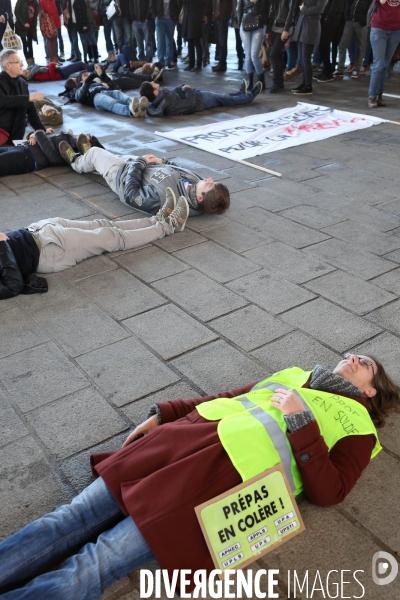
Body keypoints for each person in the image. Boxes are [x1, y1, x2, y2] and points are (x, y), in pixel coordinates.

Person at [0, 353, 399, 598]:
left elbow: (331, 492)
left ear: (370, 391)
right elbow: (229, 397)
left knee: (97, 562)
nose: (351, 358)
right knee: (68, 518)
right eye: (350, 353)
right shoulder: (297, 372)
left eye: (364, 363)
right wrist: (166, 413)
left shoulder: (360, 429)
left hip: (215, 485)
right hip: (181, 443)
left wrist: (302, 421)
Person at [0, 188, 189, 300]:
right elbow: (12, 285)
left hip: (36, 230)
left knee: (103, 225)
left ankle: (156, 220)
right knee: (111, 237)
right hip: (48, 250)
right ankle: (169, 226)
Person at [58, 137, 231, 216]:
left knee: (97, 154)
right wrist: (162, 160)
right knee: (105, 159)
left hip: (122, 175)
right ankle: (89, 158)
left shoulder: (166, 199)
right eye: (212, 182)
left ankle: (76, 160)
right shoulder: (196, 185)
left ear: (200, 199)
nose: (208, 179)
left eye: (209, 185)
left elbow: (130, 195)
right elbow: (178, 170)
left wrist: (139, 164)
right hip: (138, 165)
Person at [0, 49, 53, 146]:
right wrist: (27, 98)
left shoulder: (22, 83)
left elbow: (31, 110)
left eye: (21, 61)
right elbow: (3, 101)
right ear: (8, 66)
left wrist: (41, 129)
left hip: (15, 134)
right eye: (18, 62)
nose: (22, 65)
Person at [0, 129, 104, 177]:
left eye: (87, 136)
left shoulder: (71, 150)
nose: (82, 133)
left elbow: (52, 155)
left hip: (29, 157)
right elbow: (45, 141)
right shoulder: (68, 138)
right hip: (22, 148)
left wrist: (39, 133)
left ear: (88, 144)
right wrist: (33, 135)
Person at [139, 78, 263, 116]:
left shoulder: (161, 98)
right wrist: (187, 89)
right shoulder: (166, 101)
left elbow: (175, 93)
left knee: (222, 97)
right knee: (225, 100)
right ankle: (249, 96)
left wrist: (182, 87)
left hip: (198, 97)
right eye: (152, 84)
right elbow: (188, 104)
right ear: (154, 92)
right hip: (200, 101)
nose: (154, 82)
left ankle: (240, 93)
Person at [68, 63, 141, 116]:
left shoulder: (95, 82)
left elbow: (116, 87)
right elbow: (80, 97)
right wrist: (92, 75)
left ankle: (137, 107)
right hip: (96, 97)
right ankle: (130, 111)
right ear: (80, 81)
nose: (88, 75)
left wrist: (103, 74)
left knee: (118, 93)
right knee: (112, 102)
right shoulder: (78, 90)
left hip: (106, 90)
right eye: (85, 75)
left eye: (87, 74)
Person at [290, 0, 328, 95]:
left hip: (311, 26)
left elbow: (319, 9)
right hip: (302, 24)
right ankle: (304, 83)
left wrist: (303, 9)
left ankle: (308, 85)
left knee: (306, 58)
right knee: (302, 59)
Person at [367, 0, 400, 108]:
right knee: (379, 64)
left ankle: (379, 94)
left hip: (396, 30)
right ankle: (372, 95)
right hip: (379, 28)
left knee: (385, 65)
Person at [333, 0, 370, 79]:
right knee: (342, 45)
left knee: (361, 46)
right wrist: (347, 17)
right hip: (350, 22)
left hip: (361, 24)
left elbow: (370, 9)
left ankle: (356, 69)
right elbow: (348, 3)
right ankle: (340, 69)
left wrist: (364, 21)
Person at [237, 0, 269, 89]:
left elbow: (265, 12)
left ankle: (261, 82)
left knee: (254, 56)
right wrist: (240, 25)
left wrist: (265, 28)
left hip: (259, 26)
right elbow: (239, 10)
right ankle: (250, 82)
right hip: (245, 24)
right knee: (247, 55)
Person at [14, 0, 39, 68]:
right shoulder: (21, 1)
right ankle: (28, 60)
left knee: (30, 44)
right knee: (25, 43)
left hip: (31, 27)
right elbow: (16, 12)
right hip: (22, 27)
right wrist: (23, 23)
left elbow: (36, 14)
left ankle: (32, 60)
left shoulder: (35, 2)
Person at [39, 0, 61, 64]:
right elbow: (49, 10)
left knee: (54, 38)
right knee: (50, 38)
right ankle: (52, 59)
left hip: (54, 19)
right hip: (48, 21)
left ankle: (55, 57)